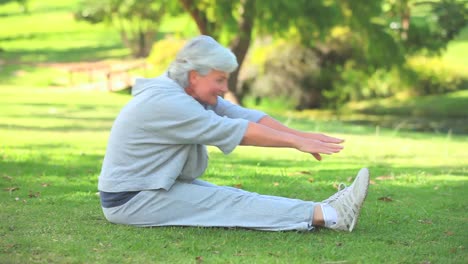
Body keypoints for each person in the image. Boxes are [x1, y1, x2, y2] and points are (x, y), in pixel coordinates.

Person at [98, 35, 370, 232]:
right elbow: (237, 131)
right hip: (132, 199)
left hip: (151, 187)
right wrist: (295, 142)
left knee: (231, 197)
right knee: (232, 203)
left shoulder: (181, 90)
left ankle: (323, 210)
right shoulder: (168, 103)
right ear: (194, 76)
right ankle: (333, 215)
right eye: (219, 80)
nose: (225, 87)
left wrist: (301, 136)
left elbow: (242, 115)